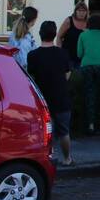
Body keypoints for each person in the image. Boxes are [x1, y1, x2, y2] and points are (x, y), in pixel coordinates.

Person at [27, 21, 74, 166]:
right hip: (61, 98)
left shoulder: (33, 55)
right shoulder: (62, 53)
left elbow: (31, 78)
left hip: (42, 100)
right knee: (64, 132)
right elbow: (67, 74)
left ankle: (46, 160)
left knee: (45, 134)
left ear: (40, 34)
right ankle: (67, 159)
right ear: (54, 35)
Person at [77, 13, 100, 135]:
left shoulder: (83, 35)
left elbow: (79, 54)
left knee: (89, 94)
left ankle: (91, 125)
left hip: (87, 66)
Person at [57, 2, 89, 68]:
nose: (81, 13)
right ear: (75, 11)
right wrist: (60, 53)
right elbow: (59, 37)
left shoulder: (89, 23)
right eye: (79, 10)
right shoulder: (69, 21)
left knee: (80, 77)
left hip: (83, 58)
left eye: (84, 11)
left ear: (86, 12)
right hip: (68, 57)